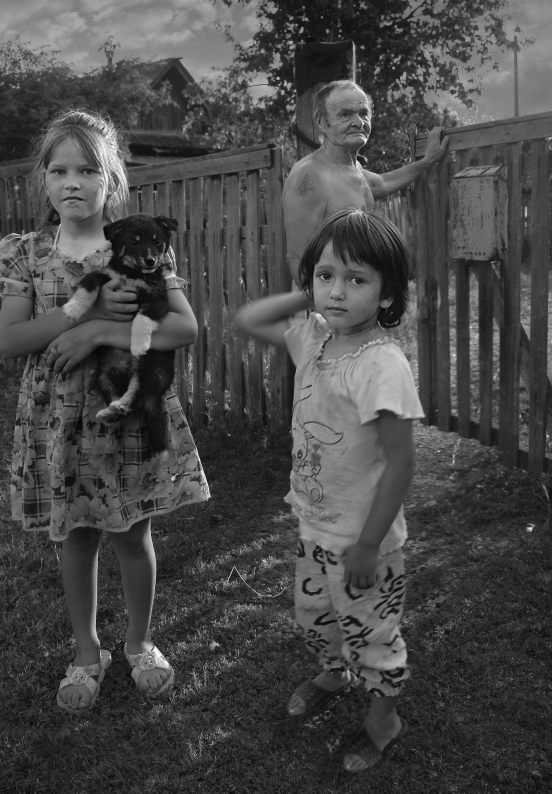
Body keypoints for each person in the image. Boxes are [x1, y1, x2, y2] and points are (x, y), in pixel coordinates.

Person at [0, 109, 210, 715]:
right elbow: (9, 340)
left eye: (88, 169)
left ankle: (139, 642)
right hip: (59, 418)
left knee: (133, 534)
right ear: (42, 179)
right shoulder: (26, 253)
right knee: (77, 537)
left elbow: (185, 328)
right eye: (59, 170)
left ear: (111, 179)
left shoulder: (140, 245)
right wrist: (80, 318)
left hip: (126, 413)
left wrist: (100, 332)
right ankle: (87, 651)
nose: (73, 182)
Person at [234, 209, 423, 773]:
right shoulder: (313, 342)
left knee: (373, 636)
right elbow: (248, 317)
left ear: (386, 294)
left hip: (365, 544)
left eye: (356, 279)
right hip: (315, 527)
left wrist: (368, 544)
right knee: (316, 617)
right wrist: (309, 293)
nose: (337, 291)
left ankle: (384, 720)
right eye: (326, 276)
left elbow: (401, 463)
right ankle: (332, 674)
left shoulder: (381, 365)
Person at [282, 80, 449, 284]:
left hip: (356, 294)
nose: (359, 122)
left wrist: (427, 161)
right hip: (328, 299)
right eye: (345, 114)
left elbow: (384, 183)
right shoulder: (309, 175)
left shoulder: (352, 169)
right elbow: (297, 257)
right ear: (321, 122)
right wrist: (322, 302)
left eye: (363, 113)